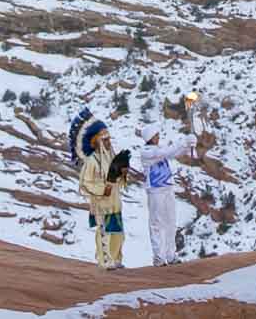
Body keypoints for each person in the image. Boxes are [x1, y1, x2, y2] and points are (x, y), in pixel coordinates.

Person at [139, 105, 198, 267]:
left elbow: (174, 153)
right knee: (156, 223)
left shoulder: (159, 148)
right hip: (155, 191)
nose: (158, 137)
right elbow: (166, 153)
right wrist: (183, 141)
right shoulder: (146, 152)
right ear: (150, 137)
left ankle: (171, 256)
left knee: (171, 222)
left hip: (167, 188)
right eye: (156, 135)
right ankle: (158, 257)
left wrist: (188, 144)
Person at [69, 107, 126, 270]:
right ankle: (104, 261)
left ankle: (116, 258)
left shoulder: (111, 157)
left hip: (114, 202)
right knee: (104, 233)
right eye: (105, 139)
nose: (109, 142)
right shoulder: (91, 161)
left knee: (118, 232)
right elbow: (85, 183)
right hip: (101, 203)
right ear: (97, 141)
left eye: (109, 139)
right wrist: (102, 190)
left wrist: (122, 175)